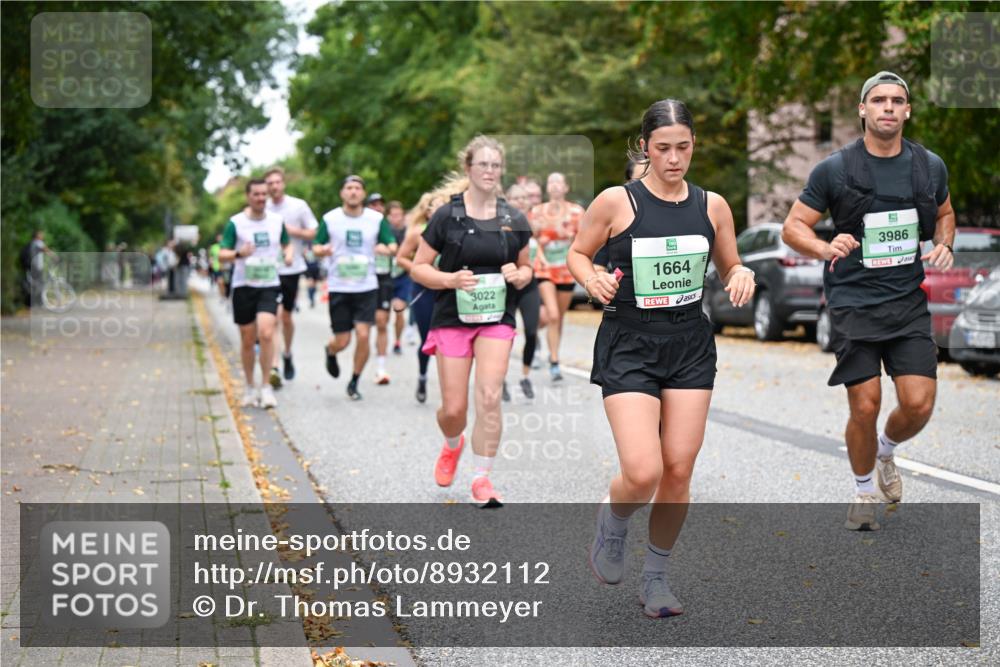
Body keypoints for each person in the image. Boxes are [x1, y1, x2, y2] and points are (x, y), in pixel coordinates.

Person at [567, 99, 755, 617]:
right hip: (629, 341)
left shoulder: (711, 205)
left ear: (694, 144)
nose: (674, 159)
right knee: (643, 470)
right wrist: (591, 278)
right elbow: (578, 253)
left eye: (684, 147)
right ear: (645, 147)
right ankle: (614, 520)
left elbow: (731, 263)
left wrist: (741, 274)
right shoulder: (616, 201)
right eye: (664, 148)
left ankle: (656, 578)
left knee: (677, 469)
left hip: (690, 344)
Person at [782, 71, 954, 531]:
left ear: (908, 110)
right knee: (865, 403)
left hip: (906, 301)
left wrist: (945, 242)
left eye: (897, 101)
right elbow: (793, 227)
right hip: (853, 301)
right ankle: (862, 492)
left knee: (919, 404)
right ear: (863, 109)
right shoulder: (835, 168)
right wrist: (823, 246)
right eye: (878, 100)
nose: (888, 108)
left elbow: (945, 212)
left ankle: (885, 450)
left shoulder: (928, 166)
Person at [410, 136, 533, 506]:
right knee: (453, 410)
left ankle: (482, 478)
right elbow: (418, 267)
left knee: (490, 395)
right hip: (451, 315)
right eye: (483, 165)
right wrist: (449, 280)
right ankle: (452, 444)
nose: (490, 171)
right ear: (469, 168)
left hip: (496, 316)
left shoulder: (514, 218)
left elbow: (528, 267)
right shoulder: (447, 215)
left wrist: (520, 274)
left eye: (495, 165)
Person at [313, 175, 398, 401]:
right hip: (339, 286)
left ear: (363, 193)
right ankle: (330, 351)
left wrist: (386, 248)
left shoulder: (376, 219)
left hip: (366, 286)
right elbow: (316, 246)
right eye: (349, 188)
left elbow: (392, 244)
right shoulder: (330, 219)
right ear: (342, 193)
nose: (353, 192)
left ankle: (354, 381)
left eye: (357, 188)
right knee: (343, 341)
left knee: (363, 335)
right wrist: (321, 250)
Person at [218, 178, 294, 409]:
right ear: (248, 196)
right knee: (248, 339)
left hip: (269, 285)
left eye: (264, 195)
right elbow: (222, 254)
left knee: (267, 332)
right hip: (243, 286)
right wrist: (239, 254)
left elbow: (286, 243)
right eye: (256, 195)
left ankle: (266, 387)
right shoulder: (236, 223)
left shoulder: (276, 221)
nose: (261, 198)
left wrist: (288, 255)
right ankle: (250, 387)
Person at [396, 179, 469, 403]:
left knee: (452, 338)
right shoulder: (417, 233)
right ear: (427, 212)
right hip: (424, 290)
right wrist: (424, 270)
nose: (438, 209)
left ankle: (451, 385)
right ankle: (422, 375)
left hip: (450, 290)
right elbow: (400, 258)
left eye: (442, 205)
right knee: (428, 336)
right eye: (433, 206)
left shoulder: (457, 229)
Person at [265, 166, 319, 386]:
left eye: (277, 182)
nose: (274, 186)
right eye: (270, 183)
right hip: (268, 270)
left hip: (291, 268)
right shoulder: (262, 207)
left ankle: (287, 353)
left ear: (283, 184)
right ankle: (274, 365)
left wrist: (288, 230)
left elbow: (313, 232)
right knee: (274, 317)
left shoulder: (298, 206)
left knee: (286, 317)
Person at [530, 173, 586, 382]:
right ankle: (554, 361)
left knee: (558, 318)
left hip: (566, 269)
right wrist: (541, 249)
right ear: (547, 188)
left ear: (566, 187)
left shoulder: (577, 212)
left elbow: (585, 239)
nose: (554, 186)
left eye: (558, 182)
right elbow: (530, 241)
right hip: (544, 269)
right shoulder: (537, 212)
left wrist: (573, 238)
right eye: (550, 182)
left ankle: (554, 355)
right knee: (552, 314)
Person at [502, 183, 546, 401]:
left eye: (523, 198)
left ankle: (525, 376)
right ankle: (499, 378)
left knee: (531, 331)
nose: (520, 202)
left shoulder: (535, 225)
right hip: (507, 285)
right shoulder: (499, 223)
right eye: (515, 198)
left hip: (529, 283)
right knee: (504, 336)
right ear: (506, 200)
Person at [372, 199, 405, 384]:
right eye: (372, 205)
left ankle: (396, 343)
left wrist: (391, 250)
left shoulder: (407, 231)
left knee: (396, 311)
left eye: (379, 204)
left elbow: (398, 250)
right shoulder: (372, 226)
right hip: (374, 277)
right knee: (377, 323)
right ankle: (379, 361)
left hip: (399, 277)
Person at [20, 230, 55, 307]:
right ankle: (39, 302)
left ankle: (34, 302)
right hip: (36, 268)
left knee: (36, 285)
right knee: (40, 284)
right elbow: (45, 250)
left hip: (32, 267)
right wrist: (54, 256)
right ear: (37, 235)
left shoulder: (32, 243)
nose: (42, 235)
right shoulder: (38, 242)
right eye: (41, 234)